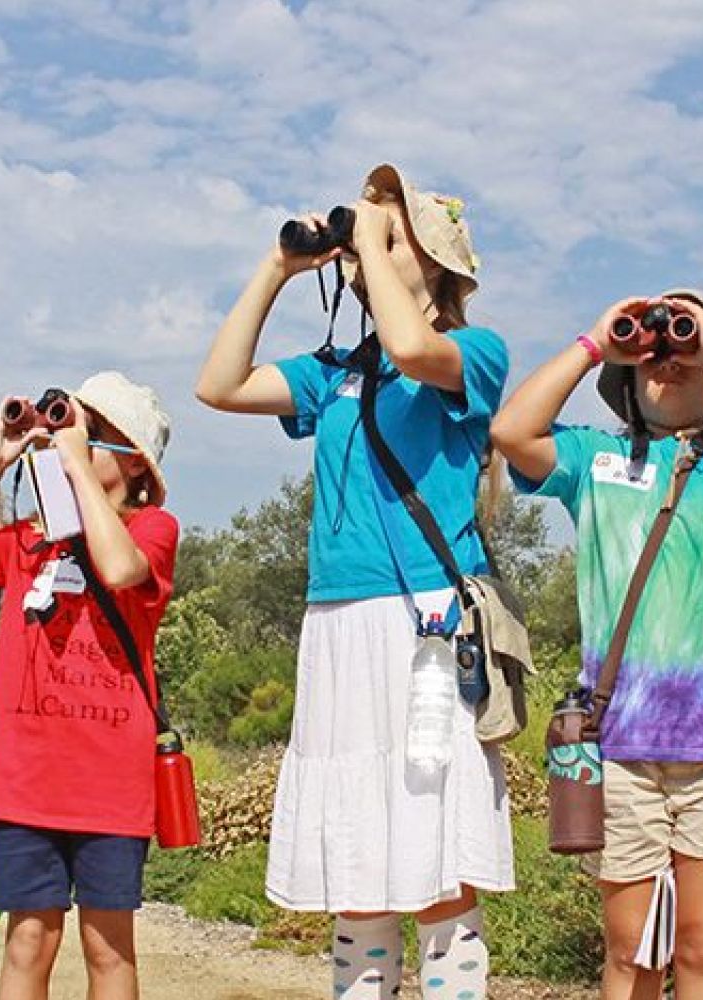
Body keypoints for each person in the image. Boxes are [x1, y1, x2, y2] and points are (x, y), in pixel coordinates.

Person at [194, 163, 512, 1000]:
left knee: (438, 857)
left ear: (441, 265)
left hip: (426, 630)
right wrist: (280, 265)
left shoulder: (473, 354)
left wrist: (367, 235)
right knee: (361, 861)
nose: (370, 246)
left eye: (398, 236)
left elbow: (413, 345)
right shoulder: (337, 369)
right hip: (337, 624)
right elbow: (218, 385)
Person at [494, 290, 703, 1000]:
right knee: (631, 951)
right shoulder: (595, 459)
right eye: (652, 351)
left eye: (683, 347)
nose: (665, 361)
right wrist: (593, 342)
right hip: (622, 742)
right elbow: (513, 432)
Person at [0, 372, 178, 1000]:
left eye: (94, 436)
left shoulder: (153, 529)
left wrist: (70, 456)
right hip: (25, 782)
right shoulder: (28, 542)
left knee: (106, 948)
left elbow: (120, 568)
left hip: (108, 782)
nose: (74, 443)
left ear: (137, 467)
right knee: (27, 942)